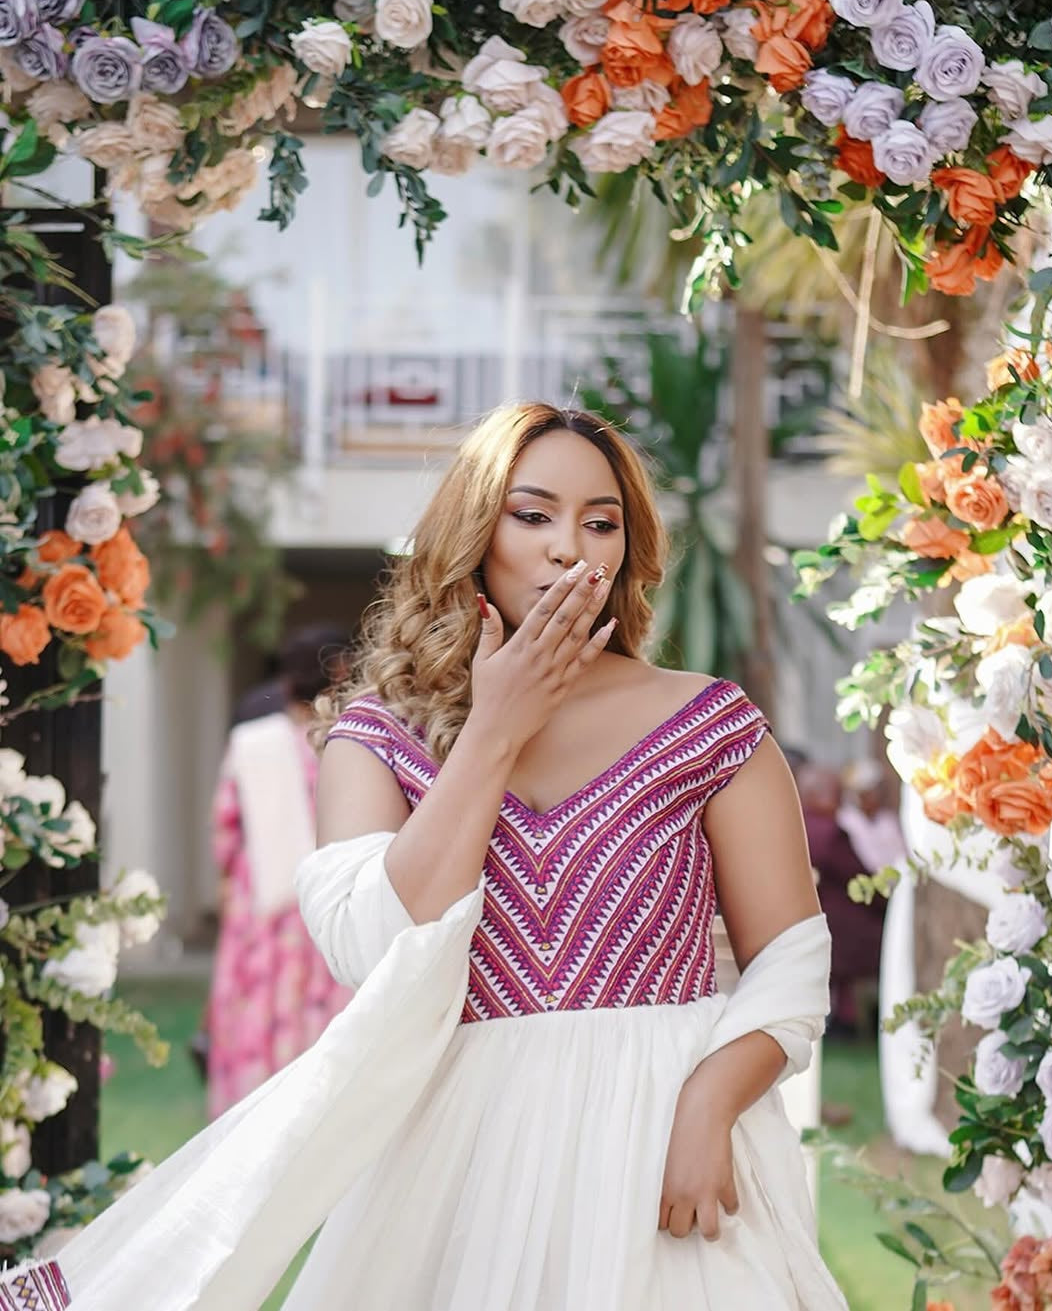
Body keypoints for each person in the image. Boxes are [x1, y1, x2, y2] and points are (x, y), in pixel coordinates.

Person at [58, 404, 846, 1310]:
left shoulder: (708, 722)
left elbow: (790, 959)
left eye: (601, 522)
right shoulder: (375, 738)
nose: (568, 548)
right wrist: (493, 730)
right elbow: (379, 946)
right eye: (533, 513)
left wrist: (710, 1101)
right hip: (460, 1164)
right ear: (475, 530)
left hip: (669, 1143)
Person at [205, 624, 353, 1116]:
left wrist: (228, 884)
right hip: (329, 897)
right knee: (321, 1014)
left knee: (258, 1009)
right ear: (339, 677)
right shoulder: (348, 741)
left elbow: (226, 827)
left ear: (285, 682)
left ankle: (248, 1114)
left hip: (261, 900)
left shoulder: (253, 742)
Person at [797, 761, 885, 1037]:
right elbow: (858, 877)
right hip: (841, 928)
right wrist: (887, 904)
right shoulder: (828, 832)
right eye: (834, 794)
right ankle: (850, 1021)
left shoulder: (794, 826)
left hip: (804, 923)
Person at [837, 759, 906, 876]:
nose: (877, 797)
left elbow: (903, 855)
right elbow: (872, 863)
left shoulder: (886, 819)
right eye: (872, 792)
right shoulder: (847, 821)